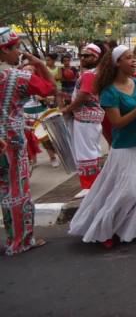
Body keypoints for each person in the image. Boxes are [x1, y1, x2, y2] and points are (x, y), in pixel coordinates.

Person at [68, 46, 136, 248]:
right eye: (128, 58)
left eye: (134, 58)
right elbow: (118, 122)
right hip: (125, 147)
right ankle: (104, 229)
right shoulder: (109, 92)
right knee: (129, 191)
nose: (134, 61)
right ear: (116, 63)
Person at [0, 28, 56, 255]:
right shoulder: (17, 77)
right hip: (10, 142)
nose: (19, 53)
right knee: (15, 190)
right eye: (16, 48)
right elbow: (51, 88)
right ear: (4, 50)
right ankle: (20, 241)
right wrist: (40, 64)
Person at [61, 43, 105, 190]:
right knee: (93, 152)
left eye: (88, 56)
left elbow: (84, 95)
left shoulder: (90, 74)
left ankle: (89, 187)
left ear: (97, 57)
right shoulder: (97, 73)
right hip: (92, 118)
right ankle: (95, 185)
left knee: (85, 154)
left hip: (84, 119)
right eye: (82, 55)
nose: (83, 58)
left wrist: (68, 109)